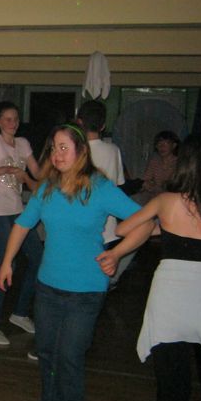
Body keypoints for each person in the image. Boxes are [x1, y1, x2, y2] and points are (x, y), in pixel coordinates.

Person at [0, 124, 152, 401]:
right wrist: (6, 263)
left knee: (69, 355)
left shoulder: (99, 187)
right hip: (48, 286)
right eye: (54, 148)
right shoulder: (47, 188)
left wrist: (116, 254)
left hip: (87, 289)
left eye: (64, 147)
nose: (57, 154)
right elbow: (22, 225)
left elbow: (145, 223)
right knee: (46, 350)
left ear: (81, 151)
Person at [100, 133, 201, 401]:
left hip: (170, 303)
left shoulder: (165, 201)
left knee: (172, 383)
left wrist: (164, 227)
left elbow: (123, 229)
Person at [0, 101, 43, 346]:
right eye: (7, 119)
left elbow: (38, 175)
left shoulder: (23, 144)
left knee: (38, 257)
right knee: (8, 263)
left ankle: (20, 312)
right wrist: (6, 168)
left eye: (15, 119)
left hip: (17, 209)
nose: (12, 123)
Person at [76, 100, 133, 290]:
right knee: (98, 275)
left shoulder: (75, 151)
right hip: (106, 225)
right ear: (102, 125)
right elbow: (118, 184)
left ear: (79, 122)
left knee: (80, 274)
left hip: (79, 221)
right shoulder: (113, 150)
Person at [138, 130, 180, 204]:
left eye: (165, 143)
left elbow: (175, 186)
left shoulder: (179, 163)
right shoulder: (155, 161)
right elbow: (146, 179)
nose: (161, 147)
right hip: (155, 198)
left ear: (174, 145)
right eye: (159, 144)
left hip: (172, 199)